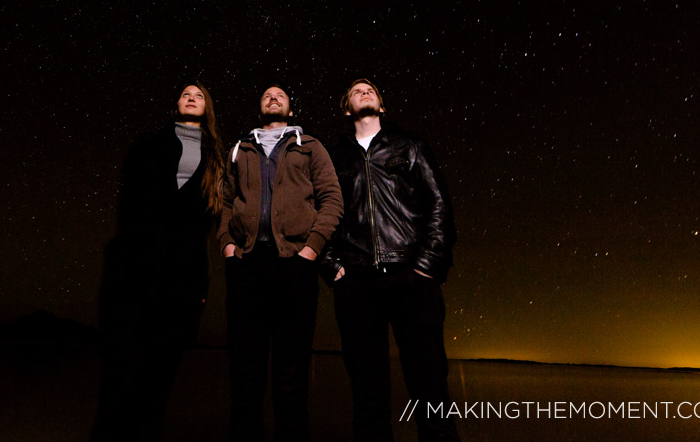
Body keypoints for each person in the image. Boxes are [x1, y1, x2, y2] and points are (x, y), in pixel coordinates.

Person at [323, 79, 459, 442]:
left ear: (381, 105)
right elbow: (319, 212)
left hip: (411, 278)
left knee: (430, 387)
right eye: (355, 90)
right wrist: (332, 266)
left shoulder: (410, 146)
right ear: (347, 109)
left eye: (371, 90)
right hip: (356, 283)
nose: (364, 91)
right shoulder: (334, 158)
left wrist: (426, 267)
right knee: (368, 394)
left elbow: (439, 206)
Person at [91, 83, 225, 442]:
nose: (191, 96)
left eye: (199, 94)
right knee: (119, 378)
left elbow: (214, 223)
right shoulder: (147, 146)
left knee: (159, 381)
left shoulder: (218, 160)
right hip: (133, 279)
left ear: (207, 107)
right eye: (185, 94)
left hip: (182, 285)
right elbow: (129, 211)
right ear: (175, 107)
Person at [218, 84, 343, 442]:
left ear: (290, 109)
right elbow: (226, 203)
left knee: (292, 372)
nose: (273, 97)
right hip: (247, 264)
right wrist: (228, 245)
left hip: (295, 265)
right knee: (245, 371)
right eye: (266, 95)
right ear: (260, 108)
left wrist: (311, 250)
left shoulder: (310, 146)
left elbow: (332, 199)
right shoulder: (240, 149)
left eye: (281, 95)